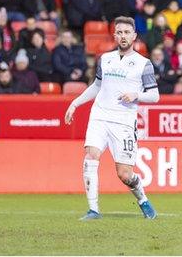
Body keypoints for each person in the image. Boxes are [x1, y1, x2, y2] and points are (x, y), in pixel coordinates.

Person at [64, 16, 159, 220]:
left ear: (134, 36)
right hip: (99, 115)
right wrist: (75, 103)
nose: (123, 36)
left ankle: (142, 199)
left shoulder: (144, 64)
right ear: (114, 35)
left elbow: (155, 95)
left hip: (124, 121)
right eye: (119, 32)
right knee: (91, 156)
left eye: (127, 32)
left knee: (124, 174)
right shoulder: (105, 59)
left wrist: (137, 95)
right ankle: (93, 210)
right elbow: (97, 86)